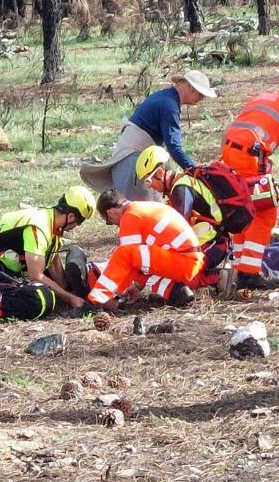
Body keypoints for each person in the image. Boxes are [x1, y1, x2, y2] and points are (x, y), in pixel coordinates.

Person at [221, 85, 279, 289]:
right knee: (264, 213)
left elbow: (228, 130)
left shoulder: (258, 99)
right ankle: (249, 274)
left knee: (241, 209)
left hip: (230, 151)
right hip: (250, 156)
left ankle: (238, 267)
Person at [80, 70, 217, 200]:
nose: (201, 99)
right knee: (145, 213)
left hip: (135, 162)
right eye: (200, 94)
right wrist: (194, 171)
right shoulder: (169, 106)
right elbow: (174, 147)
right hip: (134, 164)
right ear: (190, 87)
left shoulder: (164, 96)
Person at [0, 186, 96, 309]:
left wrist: (69, 292)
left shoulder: (51, 219)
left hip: (11, 257)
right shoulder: (39, 228)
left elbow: (52, 260)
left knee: (52, 290)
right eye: (80, 222)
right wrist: (70, 298)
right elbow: (36, 276)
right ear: (71, 217)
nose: (78, 226)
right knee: (39, 299)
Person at [86, 189, 203, 310]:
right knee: (146, 273)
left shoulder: (130, 216)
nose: (115, 225)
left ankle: (98, 299)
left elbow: (128, 261)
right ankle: (179, 294)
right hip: (187, 260)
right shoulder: (143, 207)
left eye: (109, 222)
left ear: (110, 213)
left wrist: (113, 296)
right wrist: (137, 287)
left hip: (183, 261)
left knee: (123, 253)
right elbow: (141, 261)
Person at [135, 145, 228, 289]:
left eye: (148, 181)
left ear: (159, 173)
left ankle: (219, 277)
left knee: (180, 278)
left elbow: (178, 230)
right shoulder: (180, 186)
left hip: (215, 245)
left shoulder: (181, 190)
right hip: (211, 241)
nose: (149, 187)